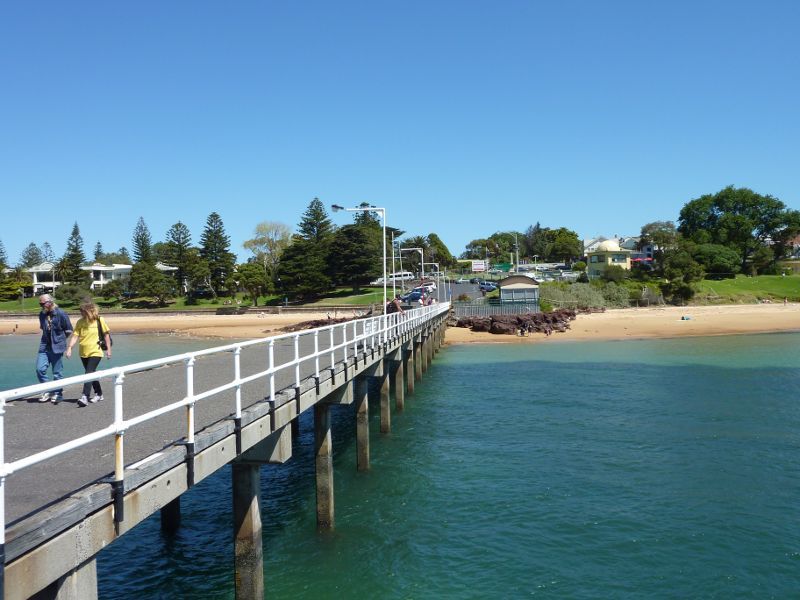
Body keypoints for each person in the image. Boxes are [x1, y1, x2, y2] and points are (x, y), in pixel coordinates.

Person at [65, 301, 111, 406]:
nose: (81, 313)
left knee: (88, 373)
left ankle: (84, 396)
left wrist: (109, 350)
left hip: (96, 351)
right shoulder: (80, 322)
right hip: (83, 352)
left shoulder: (99, 320)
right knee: (91, 373)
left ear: (88, 311)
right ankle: (99, 394)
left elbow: (106, 335)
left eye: (82, 311)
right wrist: (69, 348)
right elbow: (75, 336)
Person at [36, 293, 73, 403]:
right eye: (40, 304)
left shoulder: (61, 313)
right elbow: (43, 328)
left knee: (57, 373)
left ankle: (58, 393)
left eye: (43, 303)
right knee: (40, 369)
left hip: (57, 346)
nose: (42, 306)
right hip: (44, 346)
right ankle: (48, 389)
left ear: (50, 302)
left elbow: (69, 330)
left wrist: (60, 340)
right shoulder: (41, 314)